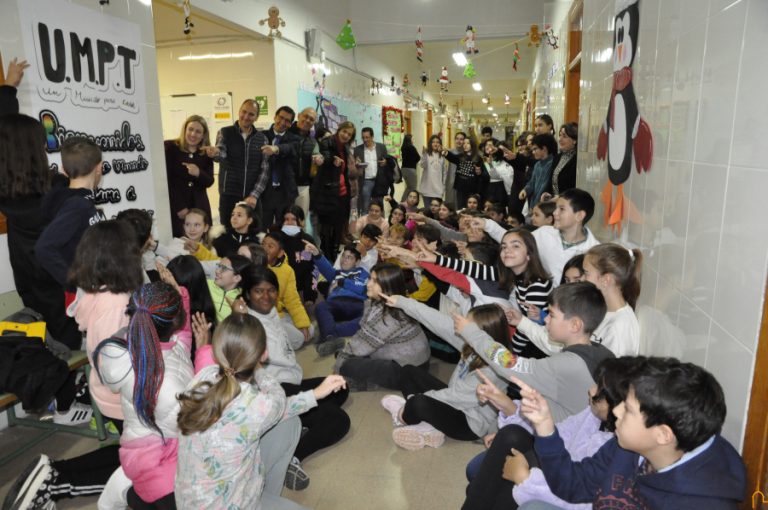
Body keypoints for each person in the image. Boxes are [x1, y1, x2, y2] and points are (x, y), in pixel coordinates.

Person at [516, 358, 746, 509]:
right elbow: (575, 485)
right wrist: (545, 426)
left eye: (628, 409)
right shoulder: (627, 448)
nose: (615, 411)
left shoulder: (703, 503)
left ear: (663, 435)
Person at [176, 313, 345, 509]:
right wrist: (259, 368)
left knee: (288, 424)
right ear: (263, 354)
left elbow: (274, 412)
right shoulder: (257, 402)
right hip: (228, 505)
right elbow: (277, 400)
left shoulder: (203, 377)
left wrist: (315, 394)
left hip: (193, 501)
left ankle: (265, 496)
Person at [463, 356, 640, 510]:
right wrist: (503, 402)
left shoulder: (619, 448)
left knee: (489, 481)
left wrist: (525, 479)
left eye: (599, 390)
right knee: (507, 439)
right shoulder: (593, 415)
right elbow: (554, 437)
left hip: (563, 494)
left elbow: (581, 496)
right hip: (556, 475)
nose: (591, 390)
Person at [236, 266, 351, 491]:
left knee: (341, 387)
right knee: (338, 420)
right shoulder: (246, 322)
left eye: (271, 290)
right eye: (259, 291)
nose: (266, 297)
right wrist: (238, 316)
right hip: (273, 390)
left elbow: (293, 341)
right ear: (247, 293)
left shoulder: (271, 314)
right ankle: (292, 455)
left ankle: (295, 425)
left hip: (291, 383)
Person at [93, 280, 190, 509]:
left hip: (140, 447)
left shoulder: (128, 351)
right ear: (176, 320)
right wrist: (206, 356)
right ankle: (129, 492)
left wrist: (181, 297)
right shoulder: (171, 387)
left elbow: (182, 341)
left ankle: (126, 483)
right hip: (159, 461)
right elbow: (195, 429)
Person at [379, 300, 510, 450]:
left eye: (467, 324)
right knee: (408, 371)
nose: (462, 326)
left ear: (482, 333)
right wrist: (402, 302)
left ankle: (412, 417)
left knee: (418, 403)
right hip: (456, 401)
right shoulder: (472, 344)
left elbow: (454, 397)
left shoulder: (492, 370)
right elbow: (436, 320)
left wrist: (410, 406)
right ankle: (428, 426)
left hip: (468, 425)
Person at [0, 113, 81, 349]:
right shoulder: (57, 186)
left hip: (26, 272)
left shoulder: (6, 193)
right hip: (58, 275)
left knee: (45, 338)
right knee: (71, 338)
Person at [333, 263, 430, 390]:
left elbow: (361, 341)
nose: (368, 284)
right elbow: (364, 331)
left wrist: (337, 369)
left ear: (388, 286)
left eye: (375, 281)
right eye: (369, 279)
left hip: (408, 371)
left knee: (347, 364)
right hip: (415, 362)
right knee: (348, 354)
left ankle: (363, 383)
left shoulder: (388, 316)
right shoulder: (396, 301)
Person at [478, 188, 599, 285]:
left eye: (561, 209)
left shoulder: (594, 251)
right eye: (556, 208)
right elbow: (514, 242)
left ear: (579, 216)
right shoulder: (544, 233)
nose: (555, 213)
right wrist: (487, 225)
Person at [36, 136, 105, 288]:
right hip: (82, 294)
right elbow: (44, 247)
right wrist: (77, 283)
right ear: (99, 167)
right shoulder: (77, 205)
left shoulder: (79, 201)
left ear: (64, 169)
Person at [204, 99, 268, 226]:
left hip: (252, 198)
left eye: (251, 114)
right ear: (239, 111)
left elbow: (264, 170)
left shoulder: (262, 139)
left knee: (255, 233)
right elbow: (221, 153)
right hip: (229, 195)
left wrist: (254, 195)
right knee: (228, 232)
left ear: (256, 117)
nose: (246, 116)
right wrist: (215, 152)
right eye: (244, 112)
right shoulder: (225, 132)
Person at [304, 241, 369, 354]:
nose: (344, 259)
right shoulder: (336, 273)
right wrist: (316, 253)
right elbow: (325, 267)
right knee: (321, 307)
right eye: (343, 256)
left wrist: (341, 282)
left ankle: (329, 332)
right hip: (336, 303)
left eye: (349, 258)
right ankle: (330, 338)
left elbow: (363, 290)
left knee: (368, 319)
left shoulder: (362, 273)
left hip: (357, 304)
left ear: (357, 262)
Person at [164, 115, 214, 237]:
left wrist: (198, 173)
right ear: (185, 130)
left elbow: (209, 181)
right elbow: (166, 181)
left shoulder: (205, 152)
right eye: (190, 129)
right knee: (179, 243)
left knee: (201, 245)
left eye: (198, 131)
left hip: (199, 207)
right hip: (177, 208)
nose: (193, 134)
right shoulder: (170, 147)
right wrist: (179, 206)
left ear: (203, 135)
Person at [312, 121, 356, 257]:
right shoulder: (328, 142)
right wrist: (332, 160)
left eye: (349, 134)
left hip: (342, 193)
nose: (346, 135)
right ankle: (327, 256)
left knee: (339, 226)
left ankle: (335, 253)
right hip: (328, 192)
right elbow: (325, 156)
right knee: (327, 228)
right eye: (344, 132)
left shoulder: (345, 147)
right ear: (339, 130)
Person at [261, 231, 312, 348]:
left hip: (279, 314)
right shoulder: (257, 265)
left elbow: (293, 300)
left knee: (310, 329)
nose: (264, 248)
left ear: (280, 253)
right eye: (263, 244)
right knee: (298, 339)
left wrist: (302, 324)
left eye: (270, 246)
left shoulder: (287, 270)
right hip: (265, 317)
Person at [260, 106, 299, 228]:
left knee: (286, 228)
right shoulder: (261, 136)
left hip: (286, 193)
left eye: (287, 121)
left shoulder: (295, 139)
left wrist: (276, 148)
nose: (282, 122)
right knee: (262, 227)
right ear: (275, 117)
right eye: (280, 118)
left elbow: (289, 148)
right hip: (265, 192)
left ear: (291, 124)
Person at [282, 107, 324, 215]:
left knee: (301, 222)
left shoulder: (313, 141)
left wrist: (320, 160)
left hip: (303, 187)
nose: (308, 120)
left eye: (311, 119)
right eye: (306, 116)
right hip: (285, 186)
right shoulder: (285, 134)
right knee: (283, 221)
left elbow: (318, 157)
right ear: (299, 115)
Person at [278, 205, 319, 303]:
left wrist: (310, 294)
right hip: (281, 284)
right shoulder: (277, 239)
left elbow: (314, 269)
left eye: (293, 219)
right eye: (286, 219)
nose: (289, 223)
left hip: (302, 285)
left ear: (302, 222)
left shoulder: (308, 240)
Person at [353, 127, 389, 215]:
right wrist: (357, 163)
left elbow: (387, 160)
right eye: (363, 137)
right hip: (366, 181)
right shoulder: (358, 149)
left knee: (379, 205)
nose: (365, 140)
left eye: (367, 137)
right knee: (365, 205)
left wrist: (385, 162)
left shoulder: (381, 147)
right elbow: (354, 165)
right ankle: (365, 226)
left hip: (379, 180)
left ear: (372, 137)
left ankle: (380, 226)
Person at [445, 137, 487, 209]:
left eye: (468, 143)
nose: (465, 145)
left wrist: (479, 173)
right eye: (464, 143)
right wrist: (446, 153)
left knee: (471, 209)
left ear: (472, 145)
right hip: (460, 188)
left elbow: (482, 176)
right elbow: (452, 158)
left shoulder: (478, 158)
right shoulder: (461, 156)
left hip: (472, 189)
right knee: (461, 208)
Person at [207, 254, 251, 322]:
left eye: (223, 269)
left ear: (237, 278)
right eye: (219, 266)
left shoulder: (242, 301)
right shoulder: (206, 284)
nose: (217, 271)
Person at [520, 134, 557, 210]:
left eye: (535, 149)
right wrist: (525, 190)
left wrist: (535, 206)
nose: (533, 152)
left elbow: (544, 187)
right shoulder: (537, 164)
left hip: (544, 206)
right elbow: (532, 182)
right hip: (535, 205)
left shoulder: (552, 163)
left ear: (544, 148)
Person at [545, 123, 578, 198]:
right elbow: (551, 181)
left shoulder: (578, 160)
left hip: (569, 203)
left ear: (574, 140)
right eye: (560, 135)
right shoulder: (557, 157)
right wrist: (547, 193)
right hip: (555, 202)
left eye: (564, 136)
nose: (560, 139)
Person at [420, 136, 448, 205]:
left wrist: (443, 187)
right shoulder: (426, 154)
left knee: (437, 213)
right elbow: (422, 165)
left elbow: (444, 173)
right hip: (426, 189)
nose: (435, 144)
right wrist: (424, 154)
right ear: (430, 144)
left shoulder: (442, 156)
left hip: (438, 190)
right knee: (427, 211)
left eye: (437, 142)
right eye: (433, 142)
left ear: (440, 144)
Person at [400, 134, 421, 200]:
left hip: (403, 170)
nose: (413, 140)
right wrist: (414, 161)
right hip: (411, 170)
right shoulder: (412, 147)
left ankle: (402, 202)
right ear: (409, 139)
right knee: (413, 189)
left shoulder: (403, 148)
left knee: (409, 187)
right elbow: (418, 157)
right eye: (412, 139)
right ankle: (412, 204)